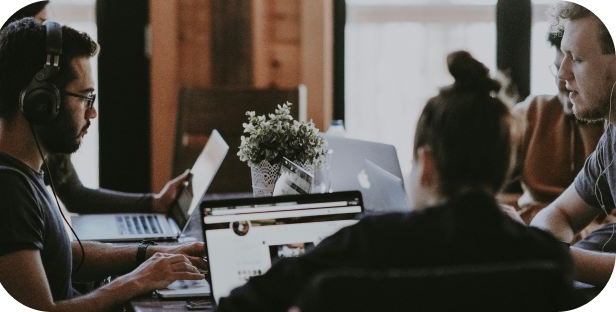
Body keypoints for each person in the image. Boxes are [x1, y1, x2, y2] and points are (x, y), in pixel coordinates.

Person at [215, 51, 574, 311]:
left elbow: (239, 306)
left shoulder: (367, 242)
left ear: (427, 164)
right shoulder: (547, 259)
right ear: (504, 166)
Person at [0, 18, 205, 311]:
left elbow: (61, 255)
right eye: (85, 97)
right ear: (40, 101)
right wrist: (136, 281)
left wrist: (153, 255)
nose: (92, 113)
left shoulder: (21, 174)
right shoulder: (5, 188)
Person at [0, 1, 191, 215]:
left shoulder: (48, 125)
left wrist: (154, 203)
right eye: (40, 27)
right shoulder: (7, 180)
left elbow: (76, 196)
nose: (53, 42)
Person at [529, 1, 616, 288]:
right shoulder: (612, 139)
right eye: (562, 57)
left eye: (576, 59)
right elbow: (558, 213)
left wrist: (548, 253)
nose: (563, 76)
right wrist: (543, 246)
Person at [504, 32, 607, 229]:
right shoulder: (533, 112)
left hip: (586, 240)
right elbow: (483, 170)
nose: (562, 82)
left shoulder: (610, 135)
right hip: (539, 230)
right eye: (558, 68)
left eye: (576, 68)